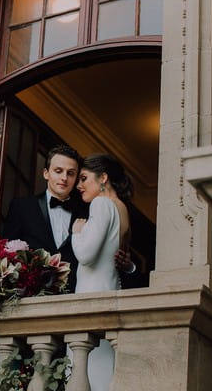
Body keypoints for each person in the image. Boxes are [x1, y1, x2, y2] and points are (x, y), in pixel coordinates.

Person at [0, 145, 135, 294]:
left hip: (75, 299)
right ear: (46, 173)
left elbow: (110, 257)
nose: (64, 178)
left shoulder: (88, 210)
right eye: (58, 171)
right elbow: (5, 256)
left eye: (71, 173)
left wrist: (128, 266)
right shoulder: (22, 207)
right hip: (30, 300)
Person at [70, 153, 134, 391]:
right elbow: (120, 259)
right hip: (111, 297)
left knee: (83, 375)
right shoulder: (122, 209)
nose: (79, 185)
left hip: (90, 299)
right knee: (103, 377)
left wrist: (77, 232)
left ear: (103, 178)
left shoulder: (101, 203)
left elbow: (86, 255)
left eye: (84, 178)